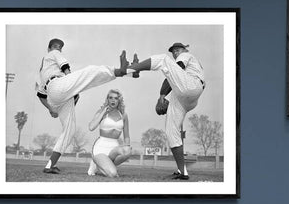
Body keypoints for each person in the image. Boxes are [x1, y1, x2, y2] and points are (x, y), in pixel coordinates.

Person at [34, 39, 131, 174]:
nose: (58, 49)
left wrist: (51, 108)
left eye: (60, 47)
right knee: (90, 71)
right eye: (56, 46)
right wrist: (72, 81)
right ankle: (119, 71)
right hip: (58, 85)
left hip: (58, 95)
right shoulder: (52, 54)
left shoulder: (42, 71)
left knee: (69, 130)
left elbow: (41, 95)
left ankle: (50, 165)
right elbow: (65, 68)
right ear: (49, 48)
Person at [128, 43, 206, 180]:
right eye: (173, 52)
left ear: (184, 50)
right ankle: (183, 172)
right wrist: (163, 97)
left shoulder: (186, 55)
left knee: (164, 60)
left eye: (177, 50)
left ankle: (133, 68)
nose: (175, 53)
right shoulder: (181, 65)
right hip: (185, 96)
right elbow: (172, 77)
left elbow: (177, 68)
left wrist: (162, 95)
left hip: (192, 85)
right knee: (171, 131)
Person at [85, 89, 135, 178]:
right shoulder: (102, 112)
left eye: (116, 98)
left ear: (119, 100)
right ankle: (96, 163)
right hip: (100, 148)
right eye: (110, 98)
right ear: (107, 99)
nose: (113, 100)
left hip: (114, 149)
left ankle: (103, 165)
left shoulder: (123, 115)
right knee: (112, 174)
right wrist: (104, 111)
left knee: (128, 151)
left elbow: (126, 136)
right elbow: (91, 127)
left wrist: (127, 145)